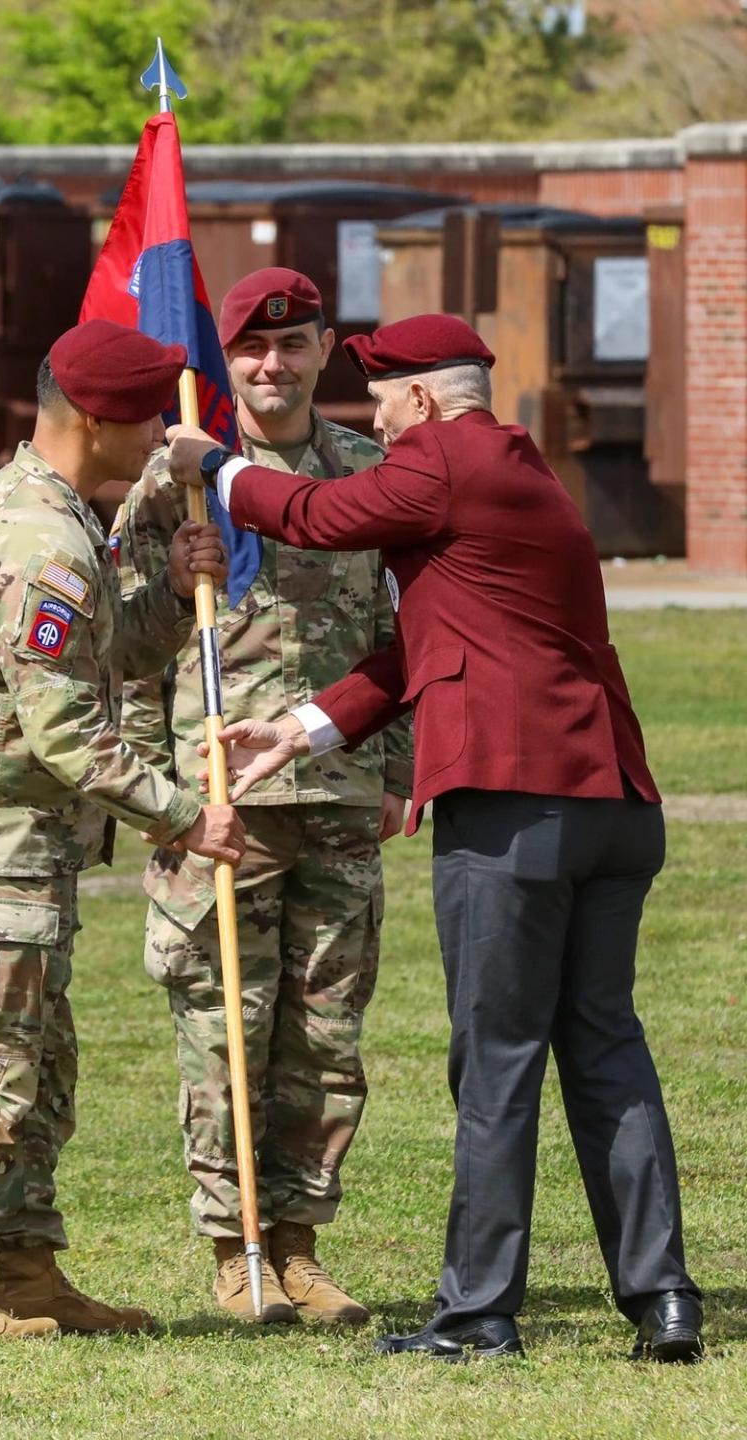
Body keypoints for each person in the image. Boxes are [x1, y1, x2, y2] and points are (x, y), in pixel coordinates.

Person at [165, 312, 704, 1363]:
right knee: (604, 1050)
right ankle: (662, 1299)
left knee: (496, 1058)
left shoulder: (446, 457)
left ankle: (478, 1315)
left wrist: (214, 464)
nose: (377, 417)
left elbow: (316, 513)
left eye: (381, 399)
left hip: (514, 807)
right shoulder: (520, 472)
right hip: (611, 803)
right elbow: (423, 651)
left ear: (417, 399)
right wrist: (300, 728)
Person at [0, 319, 246, 1344]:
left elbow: (104, 657)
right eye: (145, 422)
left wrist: (173, 593)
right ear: (93, 419)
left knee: (36, 1060)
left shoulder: (49, 510)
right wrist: (186, 816)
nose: (159, 440)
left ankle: (26, 1269)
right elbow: (69, 732)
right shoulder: (41, 538)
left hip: (24, 846)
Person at [114, 268, 412, 1324]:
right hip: (218, 801)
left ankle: (298, 1246)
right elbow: (124, 649)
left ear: (325, 347)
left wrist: (403, 771)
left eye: (293, 346)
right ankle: (233, 1248)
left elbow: (404, 638)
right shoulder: (174, 480)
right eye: (251, 348)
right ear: (223, 357)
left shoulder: (374, 473)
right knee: (223, 1028)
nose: (272, 366)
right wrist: (161, 799)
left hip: (338, 790)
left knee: (325, 1036)